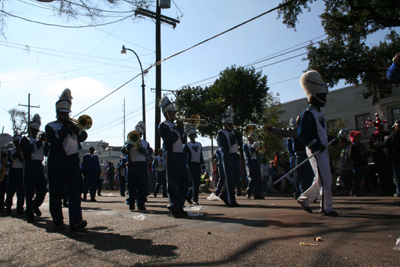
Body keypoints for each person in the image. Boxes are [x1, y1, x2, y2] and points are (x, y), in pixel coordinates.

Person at [296, 70, 339, 217]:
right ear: (313, 97)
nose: (324, 98)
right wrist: (316, 145)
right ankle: (326, 207)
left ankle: (304, 199)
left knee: (320, 178)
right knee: (325, 178)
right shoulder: (307, 114)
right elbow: (302, 134)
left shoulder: (319, 113)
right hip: (315, 150)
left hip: (321, 148)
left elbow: (321, 133)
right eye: (321, 96)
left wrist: (331, 138)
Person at [45, 88, 87, 231]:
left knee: (74, 192)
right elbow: (55, 141)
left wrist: (76, 128)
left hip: (72, 161)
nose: (65, 116)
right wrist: (64, 128)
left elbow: (83, 136)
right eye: (63, 113)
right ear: (57, 113)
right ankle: (57, 220)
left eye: (67, 113)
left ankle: (76, 221)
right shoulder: (51, 126)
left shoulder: (73, 126)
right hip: (56, 161)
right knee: (56, 192)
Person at [265, 118, 314, 199]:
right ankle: (310, 195)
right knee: (309, 176)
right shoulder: (309, 129)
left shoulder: (298, 130)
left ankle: (302, 194)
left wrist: (273, 129)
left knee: (301, 177)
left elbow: (285, 132)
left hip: (300, 155)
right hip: (309, 155)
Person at [158, 95, 189, 218]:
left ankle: (179, 205)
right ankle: (174, 207)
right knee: (173, 183)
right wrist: (179, 129)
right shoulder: (163, 126)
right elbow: (171, 138)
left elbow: (184, 140)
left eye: (175, 112)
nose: (175, 114)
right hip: (170, 155)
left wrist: (181, 130)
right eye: (172, 112)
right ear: (166, 113)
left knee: (184, 182)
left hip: (180, 155)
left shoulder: (176, 126)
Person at [20, 114, 49, 223]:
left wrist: (46, 143)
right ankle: (29, 213)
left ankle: (34, 205)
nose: (36, 131)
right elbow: (28, 150)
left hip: (39, 165)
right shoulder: (25, 139)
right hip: (29, 165)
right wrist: (39, 142)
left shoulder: (40, 141)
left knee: (43, 189)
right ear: (29, 129)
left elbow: (46, 153)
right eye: (34, 129)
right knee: (29, 191)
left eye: (37, 130)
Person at [122, 121, 152, 211]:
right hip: (132, 165)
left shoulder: (145, 143)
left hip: (142, 165)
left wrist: (141, 149)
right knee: (131, 186)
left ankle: (141, 203)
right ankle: (131, 203)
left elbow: (149, 152)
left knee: (142, 186)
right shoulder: (128, 141)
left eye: (139, 134)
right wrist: (131, 144)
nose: (138, 135)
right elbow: (124, 150)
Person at [217, 106, 242, 207]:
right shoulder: (221, 133)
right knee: (229, 178)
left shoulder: (233, 132)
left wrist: (239, 137)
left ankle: (224, 194)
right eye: (229, 124)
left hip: (235, 155)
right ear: (224, 124)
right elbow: (223, 146)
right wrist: (232, 139)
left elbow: (239, 144)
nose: (231, 125)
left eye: (232, 123)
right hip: (227, 156)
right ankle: (232, 200)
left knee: (237, 177)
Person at [367, 114, 394, 194]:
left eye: (382, 127)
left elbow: (390, 144)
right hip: (378, 156)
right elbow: (370, 145)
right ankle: (383, 187)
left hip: (385, 156)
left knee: (388, 172)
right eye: (379, 127)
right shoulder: (374, 136)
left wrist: (384, 144)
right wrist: (374, 146)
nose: (381, 129)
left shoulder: (387, 134)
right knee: (381, 172)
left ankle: (390, 186)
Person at [184, 126, 207, 205]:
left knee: (197, 182)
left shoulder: (199, 144)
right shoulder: (187, 145)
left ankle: (189, 195)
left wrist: (204, 168)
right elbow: (184, 156)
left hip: (197, 164)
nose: (192, 136)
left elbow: (201, 156)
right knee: (195, 181)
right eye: (191, 135)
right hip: (190, 164)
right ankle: (195, 199)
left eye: (194, 135)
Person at [5, 135, 25, 215]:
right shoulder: (10, 151)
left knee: (21, 192)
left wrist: (20, 155)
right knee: (10, 191)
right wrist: (16, 154)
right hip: (13, 171)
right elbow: (10, 160)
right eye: (16, 142)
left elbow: (24, 161)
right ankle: (8, 205)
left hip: (21, 171)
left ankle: (20, 208)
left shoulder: (24, 151)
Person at [349, 131, 371, 196]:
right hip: (357, 165)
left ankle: (366, 189)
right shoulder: (353, 146)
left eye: (359, 137)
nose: (359, 138)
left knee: (366, 177)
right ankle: (355, 191)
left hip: (363, 164)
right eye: (357, 137)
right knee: (357, 179)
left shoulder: (361, 145)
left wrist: (366, 153)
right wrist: (359, 154)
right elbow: (351, 156)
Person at [243, 133, 264, 199]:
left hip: (255, 161)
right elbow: (248, 154)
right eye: (250, 137)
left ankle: (257, 193)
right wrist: (253, 147)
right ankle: (249, 192)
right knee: (252, 178)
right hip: (250, 162)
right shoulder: (246, 145)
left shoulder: (254, 145)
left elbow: (257, 155)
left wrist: (258, 150)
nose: (252, 139)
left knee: (258, 178)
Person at [383, 119, 400, 197]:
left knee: (397, 175)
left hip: (396, 157)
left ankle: (399, 191)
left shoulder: (393, 135)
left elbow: (386, 143)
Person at [0, 147, 10, 214]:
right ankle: (1, 205)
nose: (4, 155)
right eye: (3, 154)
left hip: (8, 176)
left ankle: (7, 204)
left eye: (5, 154)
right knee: (1, 192)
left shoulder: (8, 159)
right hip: (1, 176)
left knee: (9, 192)